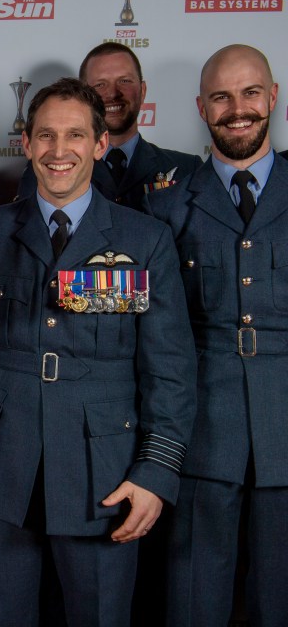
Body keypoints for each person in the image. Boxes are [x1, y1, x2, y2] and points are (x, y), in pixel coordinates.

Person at [0, 77, 196, 627]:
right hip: (7, 459)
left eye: (75, 135)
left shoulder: (146, 240)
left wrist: (155, 474)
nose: (58, 150)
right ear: (26, 144)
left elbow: (171, 371)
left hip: (105, 466)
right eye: (45, 135)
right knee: (7, 614)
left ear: (100, 144)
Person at [148, 44, 288, 627]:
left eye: (251, 93)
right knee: (193, 603)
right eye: (223, 97)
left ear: (273, 98)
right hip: (200, 433)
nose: (238, 109)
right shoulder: (166, 202)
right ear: (201, 107)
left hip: (287, 432)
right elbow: (146, 327)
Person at [17, 43, 202, 211]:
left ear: (143, 90)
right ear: (84, 95)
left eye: (124, 81)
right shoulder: (51, 167)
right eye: (100, 84)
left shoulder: (187, 168)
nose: (113, 93)